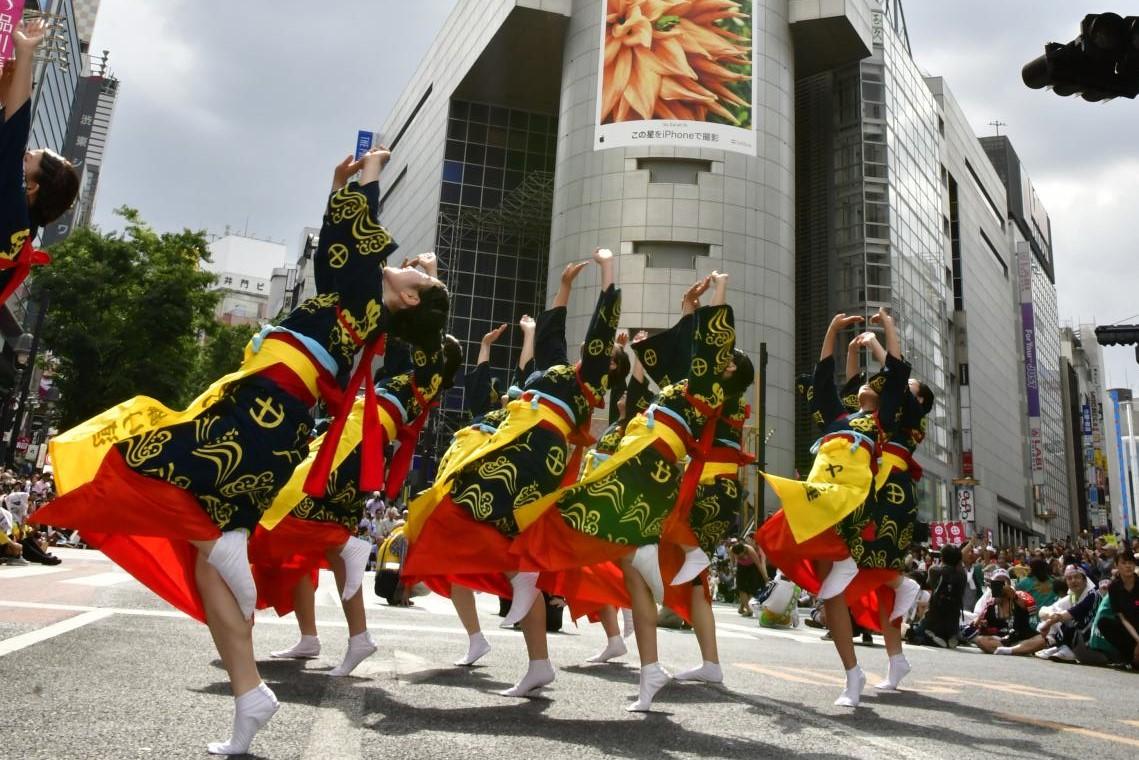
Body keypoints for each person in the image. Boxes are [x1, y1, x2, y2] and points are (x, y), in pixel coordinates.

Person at [33, 148, 448, 756]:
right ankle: (249, 693)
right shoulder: (353, 302)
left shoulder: (366, 302)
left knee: (143, 460)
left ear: (408, 301)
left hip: (262, 416)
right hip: (266, 421)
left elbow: (357, 246)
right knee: (210, 575)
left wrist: (371, 173)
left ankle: (224, 542)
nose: (408, 267)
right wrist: (340, 188)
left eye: (420, 279)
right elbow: (339, 251)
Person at [510, 272, 750, 711]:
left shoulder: (711, 387)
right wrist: (689, 306)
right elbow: (691, 348)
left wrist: (720, 289)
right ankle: (650, 669)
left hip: (647, 468)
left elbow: (710, 344)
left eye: (724, 357)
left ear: (727, 368)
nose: (710, 354)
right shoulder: (691, 384)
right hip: (640, 464)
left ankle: (530, 572)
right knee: (632, 569)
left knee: (564, 513)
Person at [403, 248, 621, 698]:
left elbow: (601, 331)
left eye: (602, 356)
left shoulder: (588, 382)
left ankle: (523, 579)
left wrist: (607, 270)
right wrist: (564, 286)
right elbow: (552, 334)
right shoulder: (557, 370)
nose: (587, 351)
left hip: (537, 447)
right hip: (516, 438)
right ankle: (539, 662)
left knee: (474, 496)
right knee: (475, 513)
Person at [252, 326, 461, 677]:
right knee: (307, 548)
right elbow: (399, 344)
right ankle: (334, 636)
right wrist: (400, 313)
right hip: (349, 440)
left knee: (288, 513)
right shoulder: (406, 378)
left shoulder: (429, 382)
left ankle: (347, 551)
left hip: (356, 447)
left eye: (438, 346)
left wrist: (426, 310)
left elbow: (421, 343)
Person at [756, 308, 909, 707]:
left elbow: (895, 372)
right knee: (828, 591)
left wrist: (887, 327)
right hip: (820, 497)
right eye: (861, 386)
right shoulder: (838, 418)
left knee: (829, 575)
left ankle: (862, 573)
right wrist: (831, 330)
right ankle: (852, 675)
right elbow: (824, 377)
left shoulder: (883, 420)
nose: (865, 386)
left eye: (873, 386)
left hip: (851, 500)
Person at [0, 18, 80, 306]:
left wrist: (25, 54)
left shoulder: (13, 209)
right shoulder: (19, 231)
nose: (20, 156)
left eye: (27, 158)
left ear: (32, 186)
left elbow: (13, 135)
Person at [963, 568, 1037, 654]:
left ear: (1009, 584)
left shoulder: (1020, 595)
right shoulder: (990, 603)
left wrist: (1015, 597)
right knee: (980, 640)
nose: (1000, 586)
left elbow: (1032, 612)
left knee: (1041, 639)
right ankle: (1014, 650)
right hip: (1001, 640)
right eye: (997, 582)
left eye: (1003, 582)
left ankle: (1011, 650)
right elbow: (978, 623)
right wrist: (982, 624)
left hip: (1022, 638)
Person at [1096, 550, 1139, 668]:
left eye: (1131, 562)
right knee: (1104, 623)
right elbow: (1121, 617)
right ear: (1116, 565)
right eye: (1124, 563)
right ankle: (1128, 658)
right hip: (1128, 628)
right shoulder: (1114, 587)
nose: (1128, 566)